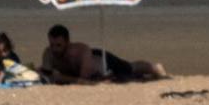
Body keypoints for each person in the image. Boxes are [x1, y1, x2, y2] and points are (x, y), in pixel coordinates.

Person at [38, 24, 169, 83]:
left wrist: (62, 77)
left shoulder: (80, 51)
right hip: (89, 70)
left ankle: (154, 67)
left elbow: (84, 79)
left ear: (67, 42)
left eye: (59, 45)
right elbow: (47, 75)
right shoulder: (49, 53)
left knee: (129, 68)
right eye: (52, 45)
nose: (55, 49)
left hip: (101, 61)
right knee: (130, 75)